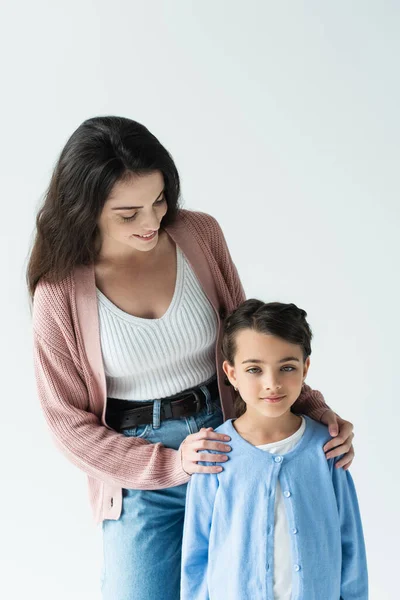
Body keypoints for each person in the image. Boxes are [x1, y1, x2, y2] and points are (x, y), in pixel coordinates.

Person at [28, 116, 355, 600]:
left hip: (232, 445)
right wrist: (169, 465)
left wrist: (315, 412)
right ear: (86, 209)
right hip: (140, 473)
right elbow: (67, 425)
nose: (151, 221)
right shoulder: (59, 292)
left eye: (158, 200)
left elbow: (251, 346)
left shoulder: (198, 236)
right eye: (127, 213)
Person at [181, 299, 368, 600]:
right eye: (254, 369)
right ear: (231, 374)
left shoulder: (327, 448)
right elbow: (197, 553)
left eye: (287, 368)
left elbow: (350, 542)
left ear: (305, 368)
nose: (272, 383)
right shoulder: (214, 452)